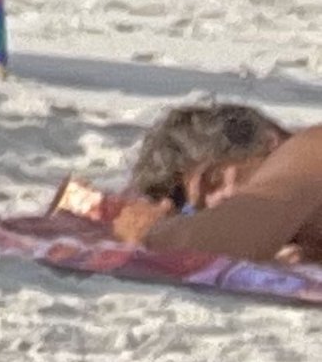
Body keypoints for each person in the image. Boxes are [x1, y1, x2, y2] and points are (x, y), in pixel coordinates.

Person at [116, 102, 322, 263]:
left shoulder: (309, 146)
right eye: (202, 208)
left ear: (269, 140)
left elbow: (234, 238)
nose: (218, 201)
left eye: (216, 179)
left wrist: (148, 232)